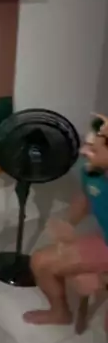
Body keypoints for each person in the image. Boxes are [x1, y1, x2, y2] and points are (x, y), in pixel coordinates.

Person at [25, 114, 108, 325]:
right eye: (87, 145)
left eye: (94, 149)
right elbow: (86, 197)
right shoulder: (92, 170)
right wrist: (68, 223)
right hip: (104, 242)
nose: (83, 152)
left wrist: (102, 279)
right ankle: (60, 313)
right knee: (40, 262)